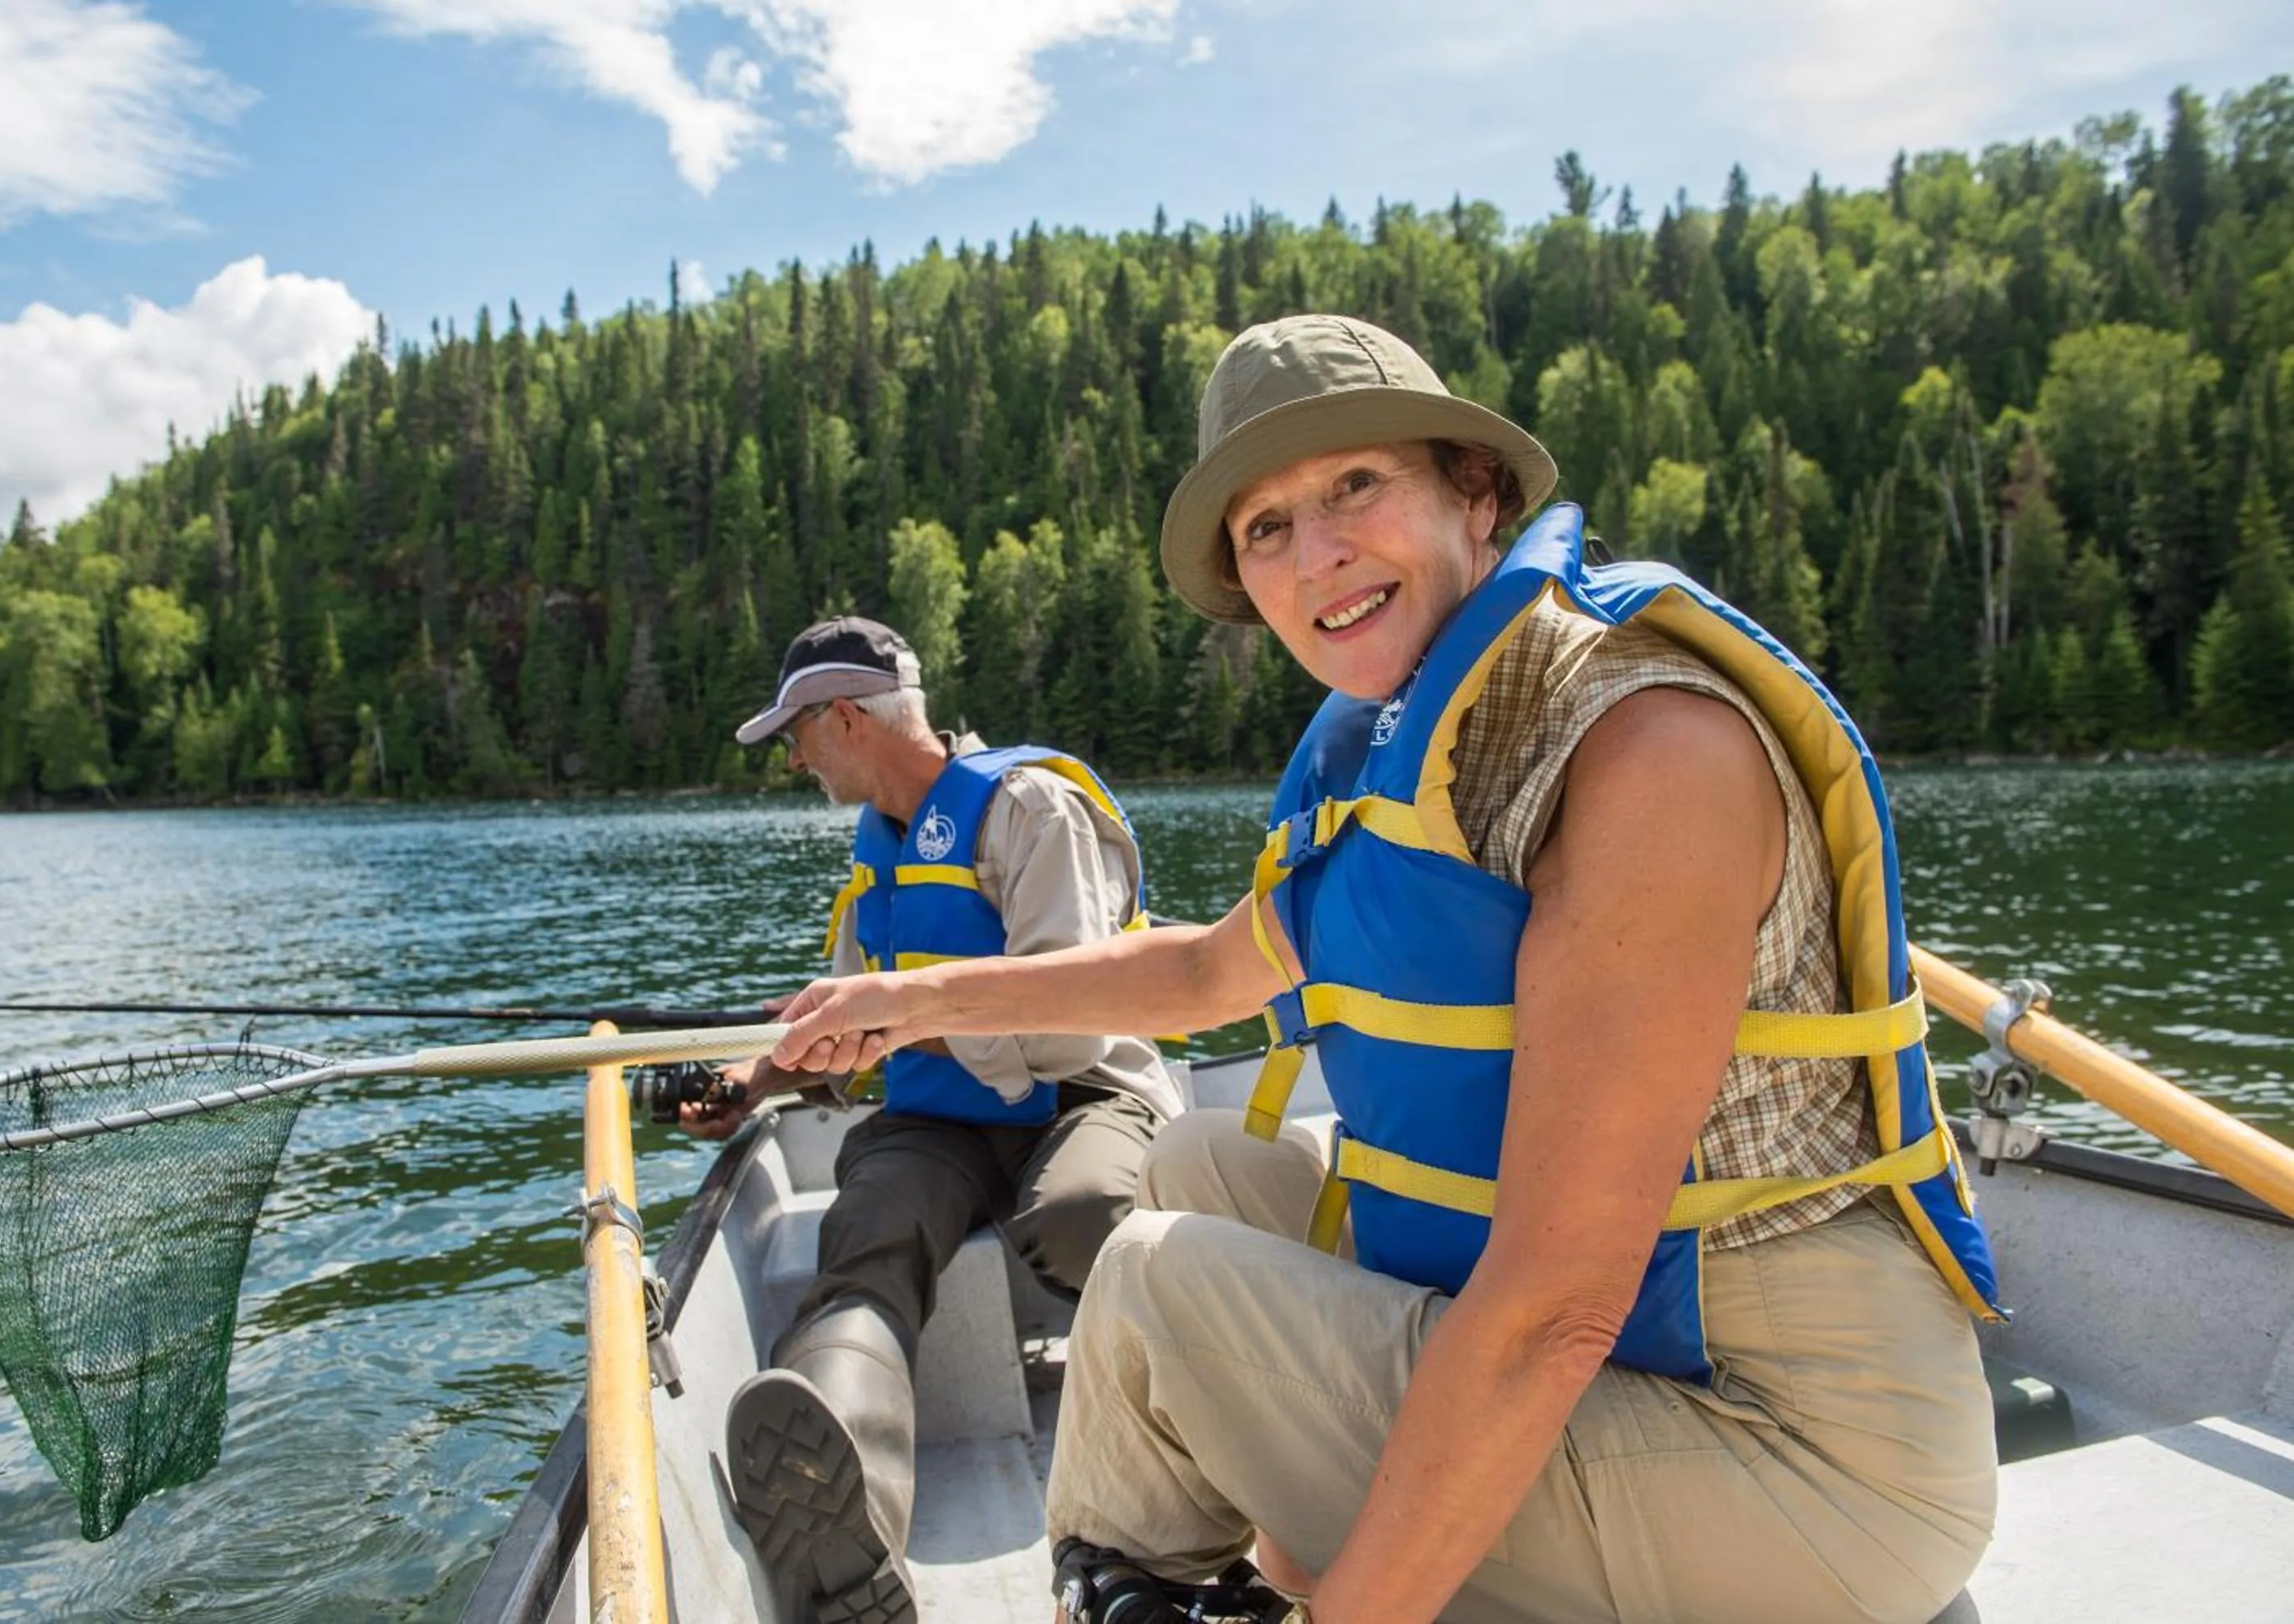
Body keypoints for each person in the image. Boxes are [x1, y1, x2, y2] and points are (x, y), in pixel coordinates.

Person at [768, 317, 2002, 1623]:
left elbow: (1555, 1309)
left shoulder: (1646, 745)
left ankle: (1145, 1588)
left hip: (1800, 1456)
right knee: (1191, 1170)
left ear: (1477, 493)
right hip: (1638, 1355)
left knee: (1147, 1283)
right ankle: (1153, 1584)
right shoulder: (1407, 740)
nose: (1320, 555)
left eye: (1356, 485)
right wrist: (909, 999)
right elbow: (1198, 978)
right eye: (1268, 528)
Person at [696, 614, 1178, 1624]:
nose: (791, 757)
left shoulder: (1030, 809)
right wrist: (757, 1078)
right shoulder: (875, 861)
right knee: (868, 1228)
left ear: (845, 719)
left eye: (795, 732)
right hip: (941, 1121)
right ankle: (848, 1529)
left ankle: (1193, 1432)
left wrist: (903, 1022)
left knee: (1086, 1215)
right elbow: (839, 1033)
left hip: (1080, 1094)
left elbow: (1072, 1025)